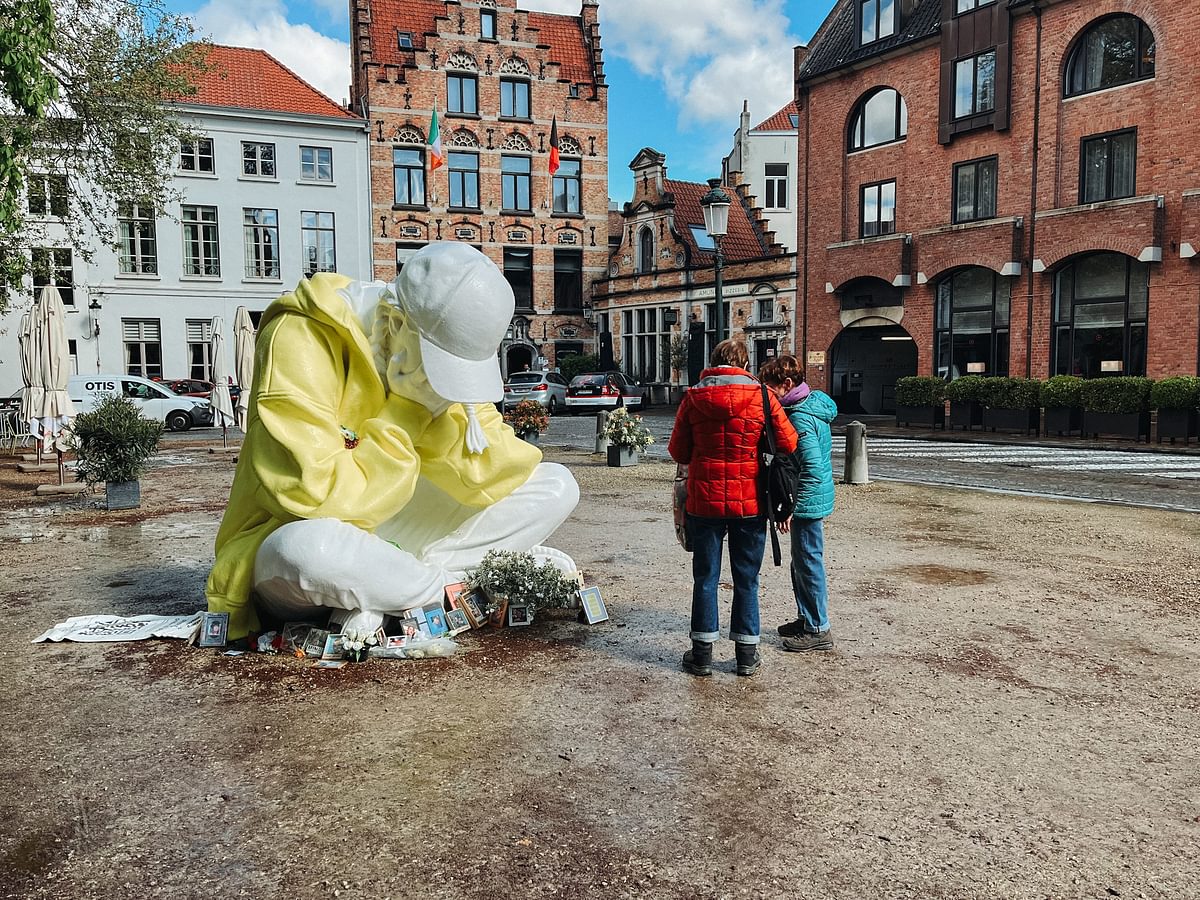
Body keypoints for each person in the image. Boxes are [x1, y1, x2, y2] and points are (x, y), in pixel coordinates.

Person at [205, 242, 579, 641]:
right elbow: (315, 496)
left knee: (557, 485)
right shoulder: (300, 336)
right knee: (307, 552)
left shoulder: (416, 351)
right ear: (396, 325)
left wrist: (443, 409)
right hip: (302, 534)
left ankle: (391, 594)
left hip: (395, 540)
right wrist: (408, 413)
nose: (446, 387)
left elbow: (496, 469)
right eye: (441, 367)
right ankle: (451, 590)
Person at [667, 339, 798, 677]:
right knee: (747, 579)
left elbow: (678, 451)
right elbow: (788, 442)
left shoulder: (694, 397)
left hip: (704, 502)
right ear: (743, 364)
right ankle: (746, 656)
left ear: (713, 363)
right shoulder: (763, 397)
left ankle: (702, 655)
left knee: (705, 578)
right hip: (750, 501)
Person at [758, 354, 838, 652]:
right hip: (812, 500)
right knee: (803, 562)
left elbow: (812, 469)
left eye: (770, 386)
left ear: (787, 384)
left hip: (808, 502)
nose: (767, 393)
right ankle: (809, 619)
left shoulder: (801, 417)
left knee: (808, 563)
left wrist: (792, 505)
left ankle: (818, 628)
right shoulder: (806, 406)